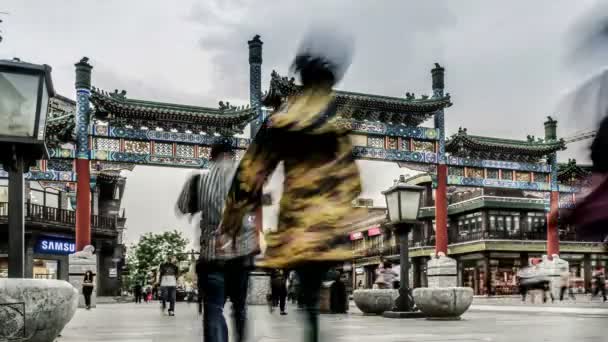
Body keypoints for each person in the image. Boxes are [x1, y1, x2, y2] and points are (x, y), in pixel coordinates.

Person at [219, 28, 364, 342]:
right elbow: (353, 184)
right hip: (329, 230)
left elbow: (250, 175)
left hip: (298, 227)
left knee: (307, 302)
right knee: (312, 298)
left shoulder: (282, 121)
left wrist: (230, 222)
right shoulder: (338, 126)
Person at [176, 140, 260, 342]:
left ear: (211, 157)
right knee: (239, 308)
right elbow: (255, 216)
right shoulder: (248, 181)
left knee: (213, 308)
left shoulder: (197, 181)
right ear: (233, 156)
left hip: (212, 256)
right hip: (241, 257)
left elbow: (182, 207)